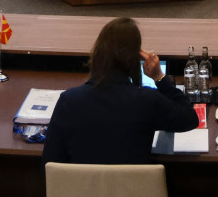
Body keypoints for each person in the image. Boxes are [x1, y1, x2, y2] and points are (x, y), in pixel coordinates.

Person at [43, 17, 197, 165]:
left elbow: (49, 165)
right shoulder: (147, 100)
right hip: (134, 184)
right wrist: (159, 77)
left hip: (81, 184)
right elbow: (189, 118)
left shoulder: (69, 101)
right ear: (134, 60)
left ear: (97, 53)